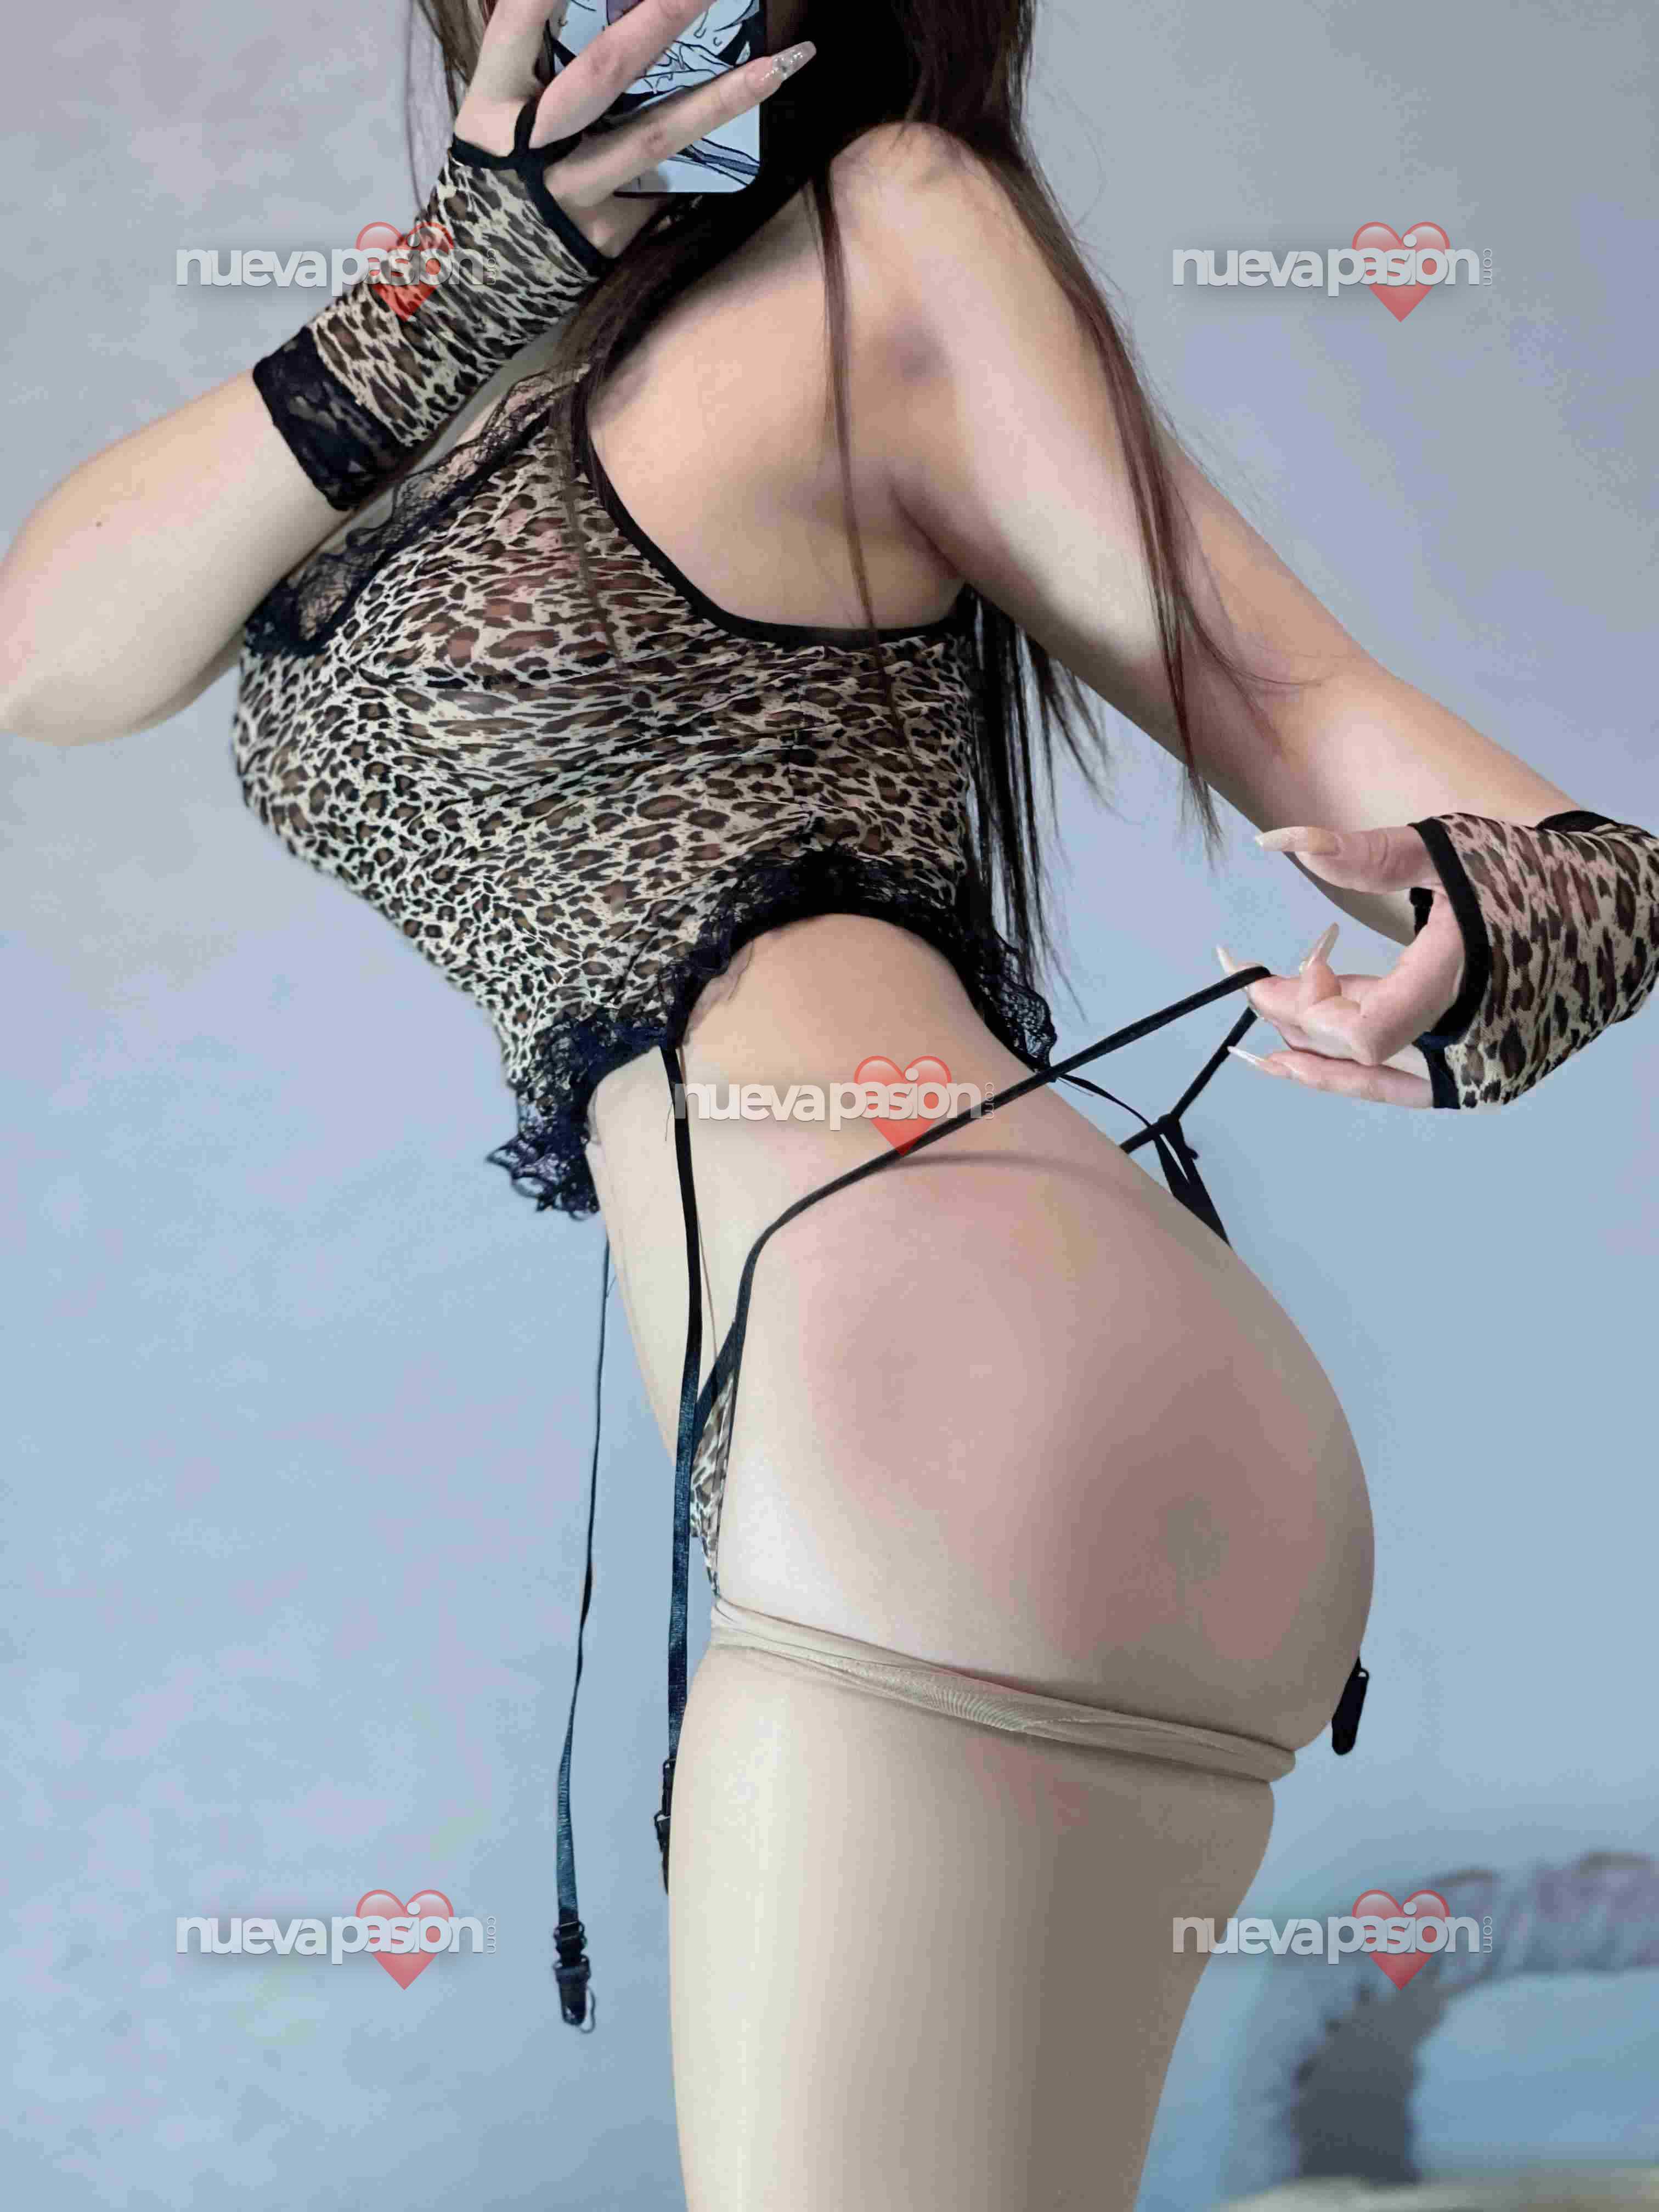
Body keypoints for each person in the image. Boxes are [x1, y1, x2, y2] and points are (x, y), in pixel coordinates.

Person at [3, 3, 1654, 2205]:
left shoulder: (890, 231)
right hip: (921, 1406)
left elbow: (1290, 684)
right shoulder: (472, 363)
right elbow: (52, 654)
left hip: (952, 1385)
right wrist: (460, 279)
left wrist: (1543, 913)